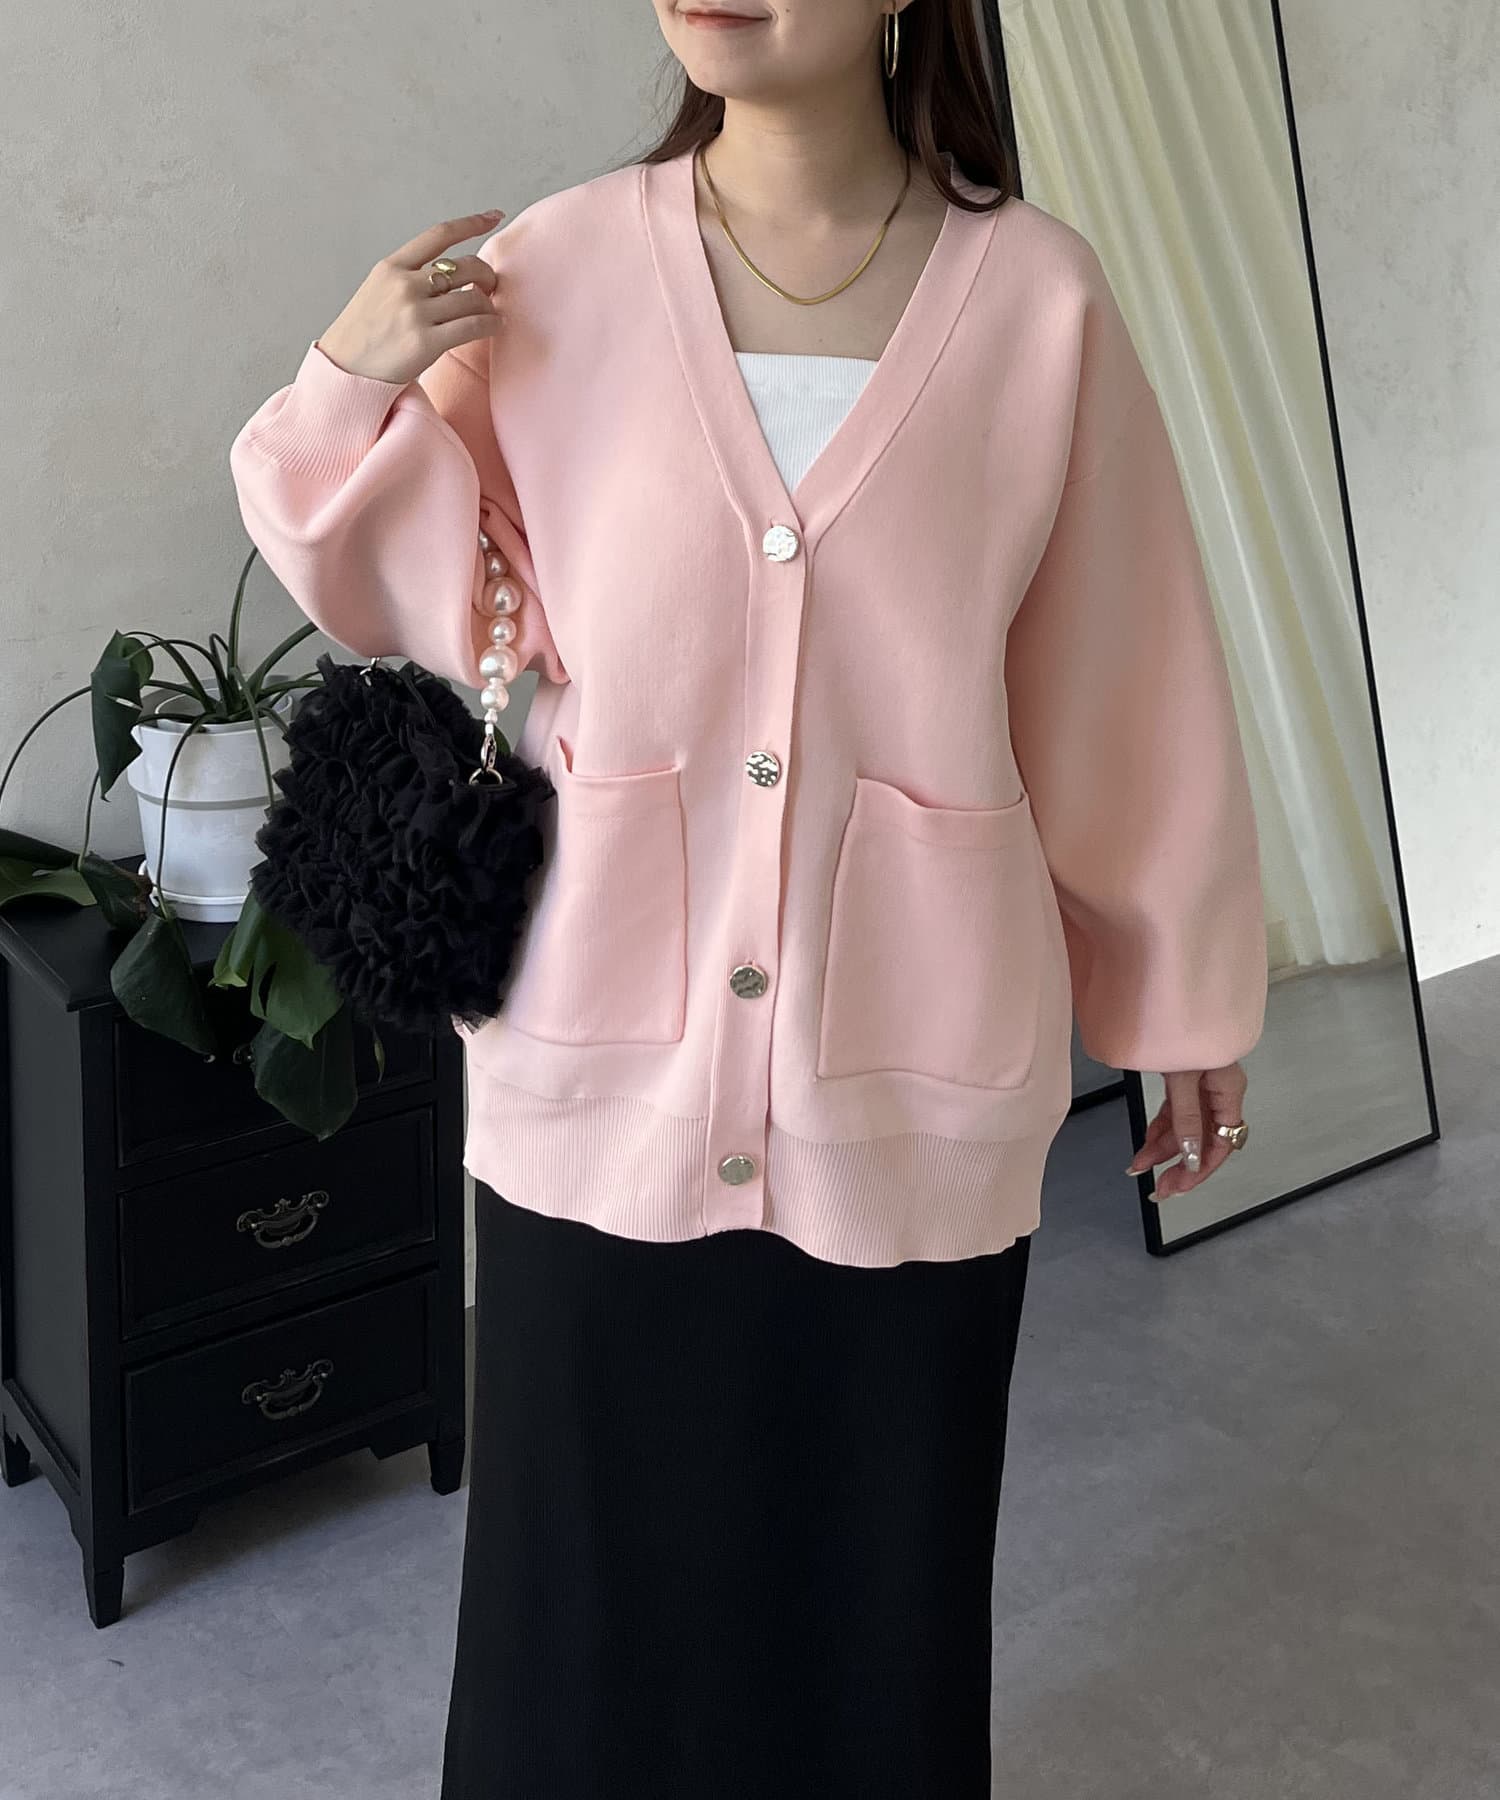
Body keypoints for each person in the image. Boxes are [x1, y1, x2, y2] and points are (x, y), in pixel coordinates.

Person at [229, 3, 1268, 1793]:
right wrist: (346, 377)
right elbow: (390, 573)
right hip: (603, 1074)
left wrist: (1172, 990)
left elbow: (1122, 672)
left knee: (871, 1640)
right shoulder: (553, 273)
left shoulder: (1037, 302)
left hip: (907, 1077)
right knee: (577, 1658)